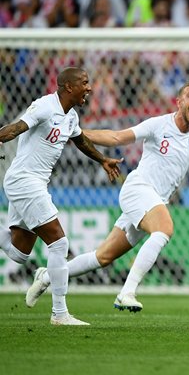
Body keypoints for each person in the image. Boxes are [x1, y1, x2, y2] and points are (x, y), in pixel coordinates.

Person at [25, 81, 189, 313]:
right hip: (138, 189)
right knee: (164, 229)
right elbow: (116, 137)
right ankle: (127, 292)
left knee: (102, 257)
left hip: (153, 200)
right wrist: (76, 133)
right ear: (179, 102)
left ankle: (46, 276)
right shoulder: (158, 125)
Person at [0, 67, 122, 326]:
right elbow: (16, 128)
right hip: (24, 181)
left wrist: (103, 160)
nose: (89, 88)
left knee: (19, 254)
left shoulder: (71, 116)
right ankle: (59, 313)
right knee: (58, 244)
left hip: (34, 184)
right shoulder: (45, 106)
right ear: (69, 86)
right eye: (85, 83)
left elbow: (80, 141)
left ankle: (55, 300)